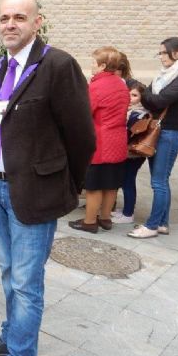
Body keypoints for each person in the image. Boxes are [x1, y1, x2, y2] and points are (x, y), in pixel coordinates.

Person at [0, 0, 95, 356]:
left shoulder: (58, 65)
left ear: (37, 22)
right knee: (9, 273)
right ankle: (12, 335)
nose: (10, 24)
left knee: (26, 284)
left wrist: (66, 184)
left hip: (35, 191)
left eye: (19, 17)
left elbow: (82, 136)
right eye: (5, 17)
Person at [68, 47, 129, 233]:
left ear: (103, 66)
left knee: (94, 185)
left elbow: (85, 114)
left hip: (100, 142)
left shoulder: (96, 86)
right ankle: (105, 218)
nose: (91, 66)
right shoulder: (121, 84)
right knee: (111, 184)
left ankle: (89, 222)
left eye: (94, 63)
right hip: (118, 140)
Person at [128, 36, 178, 238]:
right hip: (161, 131)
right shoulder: (165, 76)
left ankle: (151, 226)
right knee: (161, 180)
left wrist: (148, 97)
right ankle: (162, 223)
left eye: (163, 52)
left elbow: (158, 100)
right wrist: (150, 98)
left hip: (170, 132)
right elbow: (152, 98)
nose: (160, 57)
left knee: (159, 181)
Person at [112, 81, 149, 225]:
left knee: (128, 180)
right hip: (130, 152)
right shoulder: (132, 111)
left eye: (134, 95)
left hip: (133, 153)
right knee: (125, 179)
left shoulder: (138, 114)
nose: (130, 97)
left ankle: (128, 213)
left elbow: (128, 133)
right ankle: (126, 210)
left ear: (142, 98)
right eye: (129, 94)